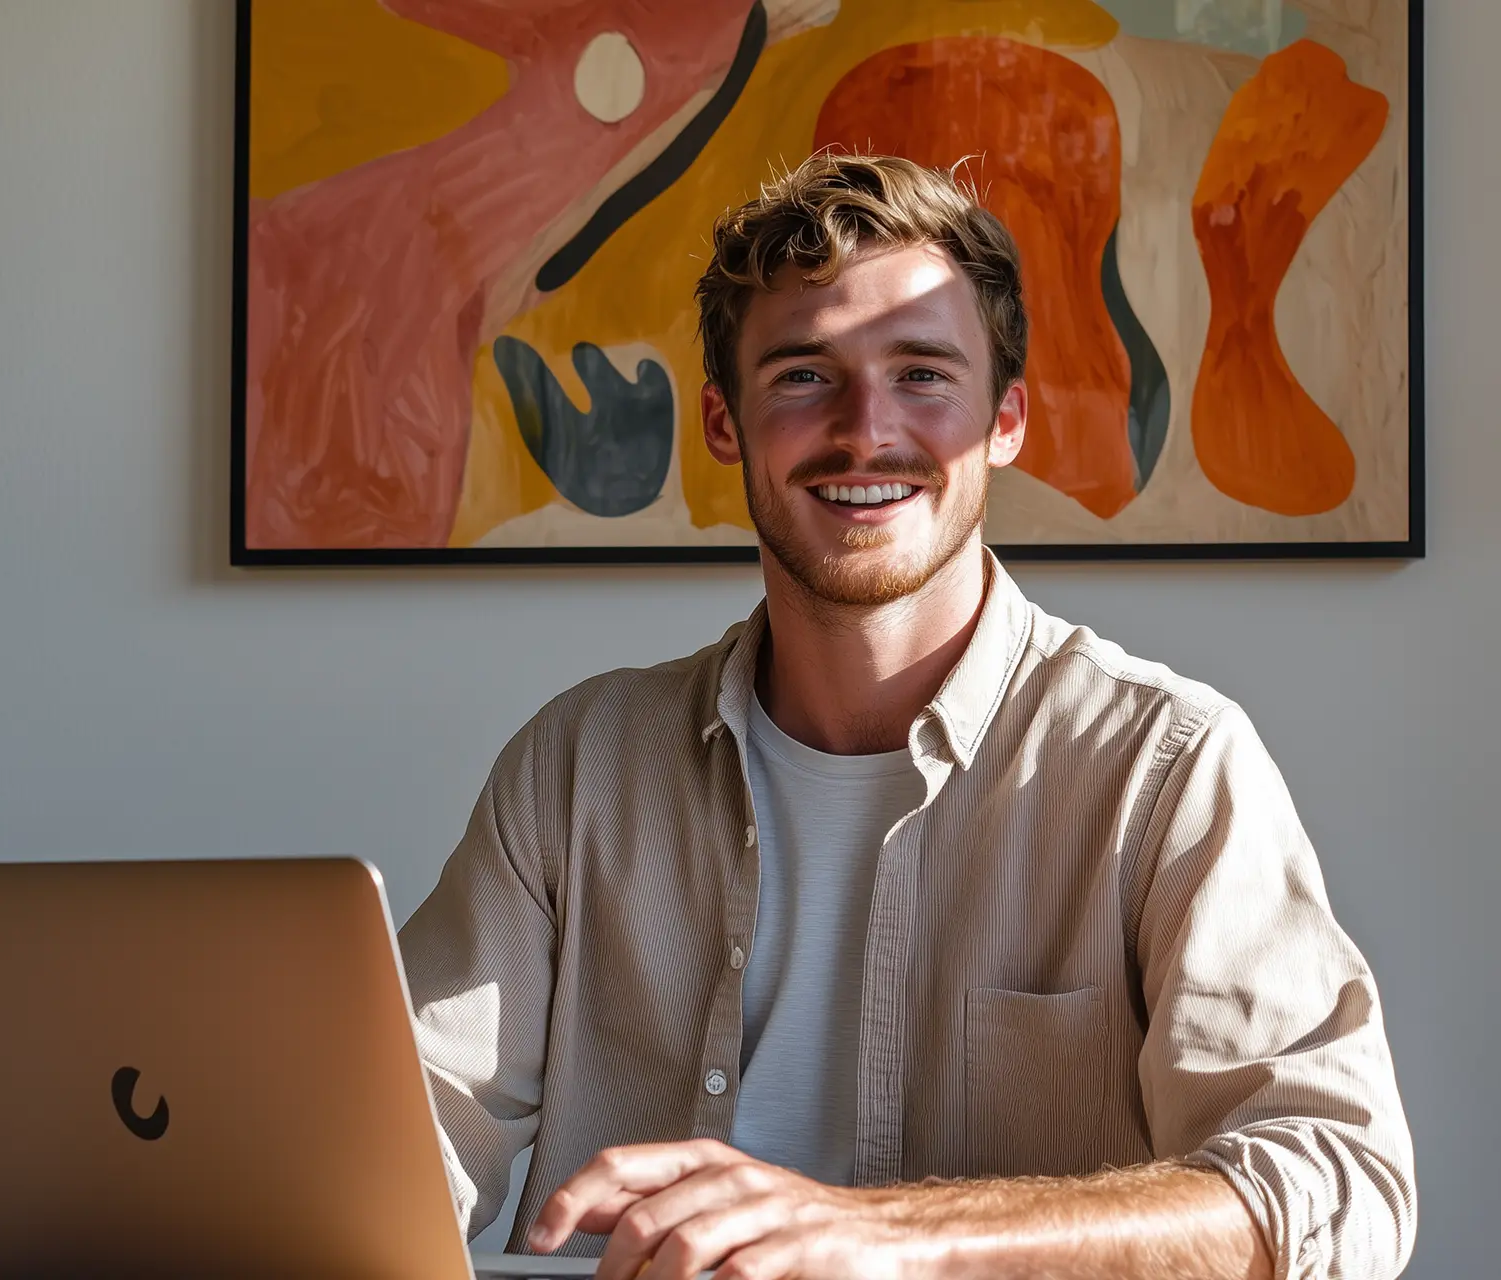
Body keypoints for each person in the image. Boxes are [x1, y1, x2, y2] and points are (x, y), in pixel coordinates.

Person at [399, 152, 1415, 1280]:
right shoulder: (577, 767)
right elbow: (391, 1151)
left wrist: (891, 1232)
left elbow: (1336, 1185)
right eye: (802, 376)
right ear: (725, 423)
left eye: (922, 373)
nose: (865, 430)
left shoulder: (1166, 766)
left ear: (1008, 420)